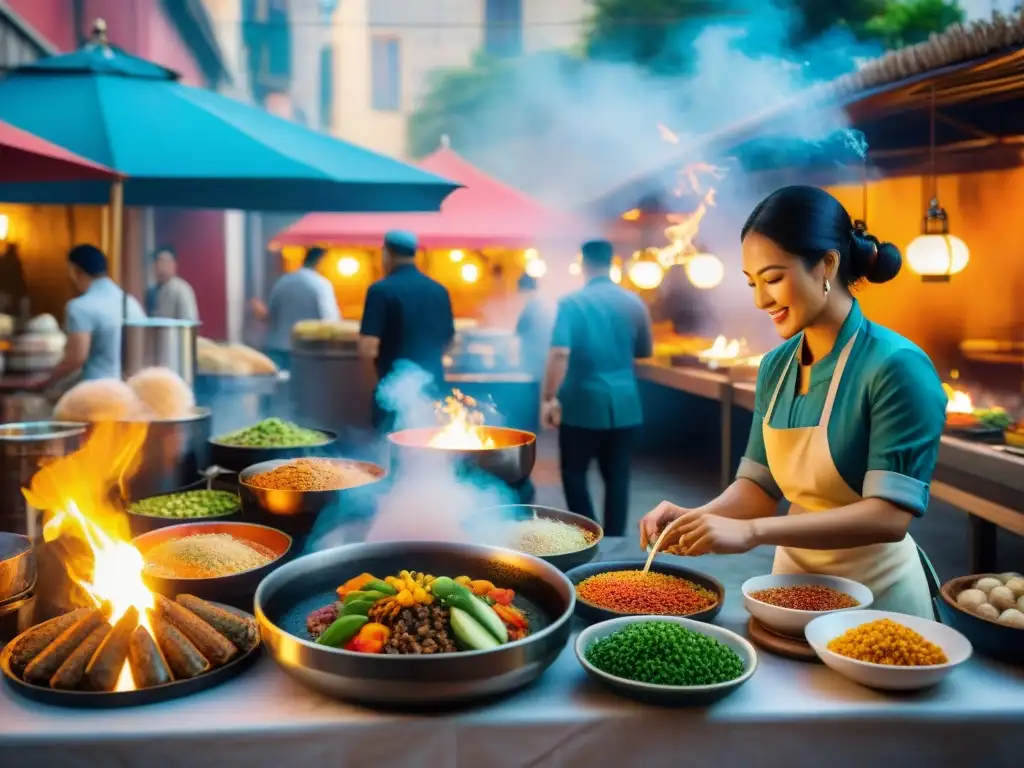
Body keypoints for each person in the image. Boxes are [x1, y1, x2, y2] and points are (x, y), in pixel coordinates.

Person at [640, 185, 947, 619]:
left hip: (881, 602)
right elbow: (759, 489)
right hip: (790, 594)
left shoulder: (896, 367)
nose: (761, 300)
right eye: (752, 283)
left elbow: (889, 517)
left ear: (827, 264)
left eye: (773, 278)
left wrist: (750, 533)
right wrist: (694, 518)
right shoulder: (776, 367)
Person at [542, 239, 653, 537]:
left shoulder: (571, 303)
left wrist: (549, 397)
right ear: (611, 262)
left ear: (583, 263)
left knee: (574, 474)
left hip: (581, 402)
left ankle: (587, 535)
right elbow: (644, 351)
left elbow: (559, 353)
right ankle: (614, 538)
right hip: (626, 404)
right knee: (617, 476)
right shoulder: (634, 302)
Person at [358, 230, 455, 431]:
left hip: (393, 393)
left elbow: (368, 347)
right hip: (433, 390)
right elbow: (450, 342)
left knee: (390, 449)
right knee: (431, 449)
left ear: (387, 253)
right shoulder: (439, 290)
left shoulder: (380, 290)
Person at [40, 243, 146, 386]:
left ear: (76, 271)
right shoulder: (130, 302)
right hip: (129, 387)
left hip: (96, 391)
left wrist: (45, 382)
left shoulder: (79, 307)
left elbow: (76, 359)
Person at [263, 246, 340, 369]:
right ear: (321, 261)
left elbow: (271, 315)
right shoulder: (321, 284)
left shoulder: (283, 282)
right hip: (308, 350)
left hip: (278, 349)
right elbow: (330, 321)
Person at [514, 272, 556, 383]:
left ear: (524, 290)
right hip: (546, 362)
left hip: (536, 364)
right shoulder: (546, 303)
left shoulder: (533, 306)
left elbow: (519, 331)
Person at [149, 246, 199, 322]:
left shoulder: (181, 290)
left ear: (174, 265)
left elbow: (189, 321)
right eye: (158, 263)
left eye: (165, 263)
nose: (161, 268)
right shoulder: (151, 292)